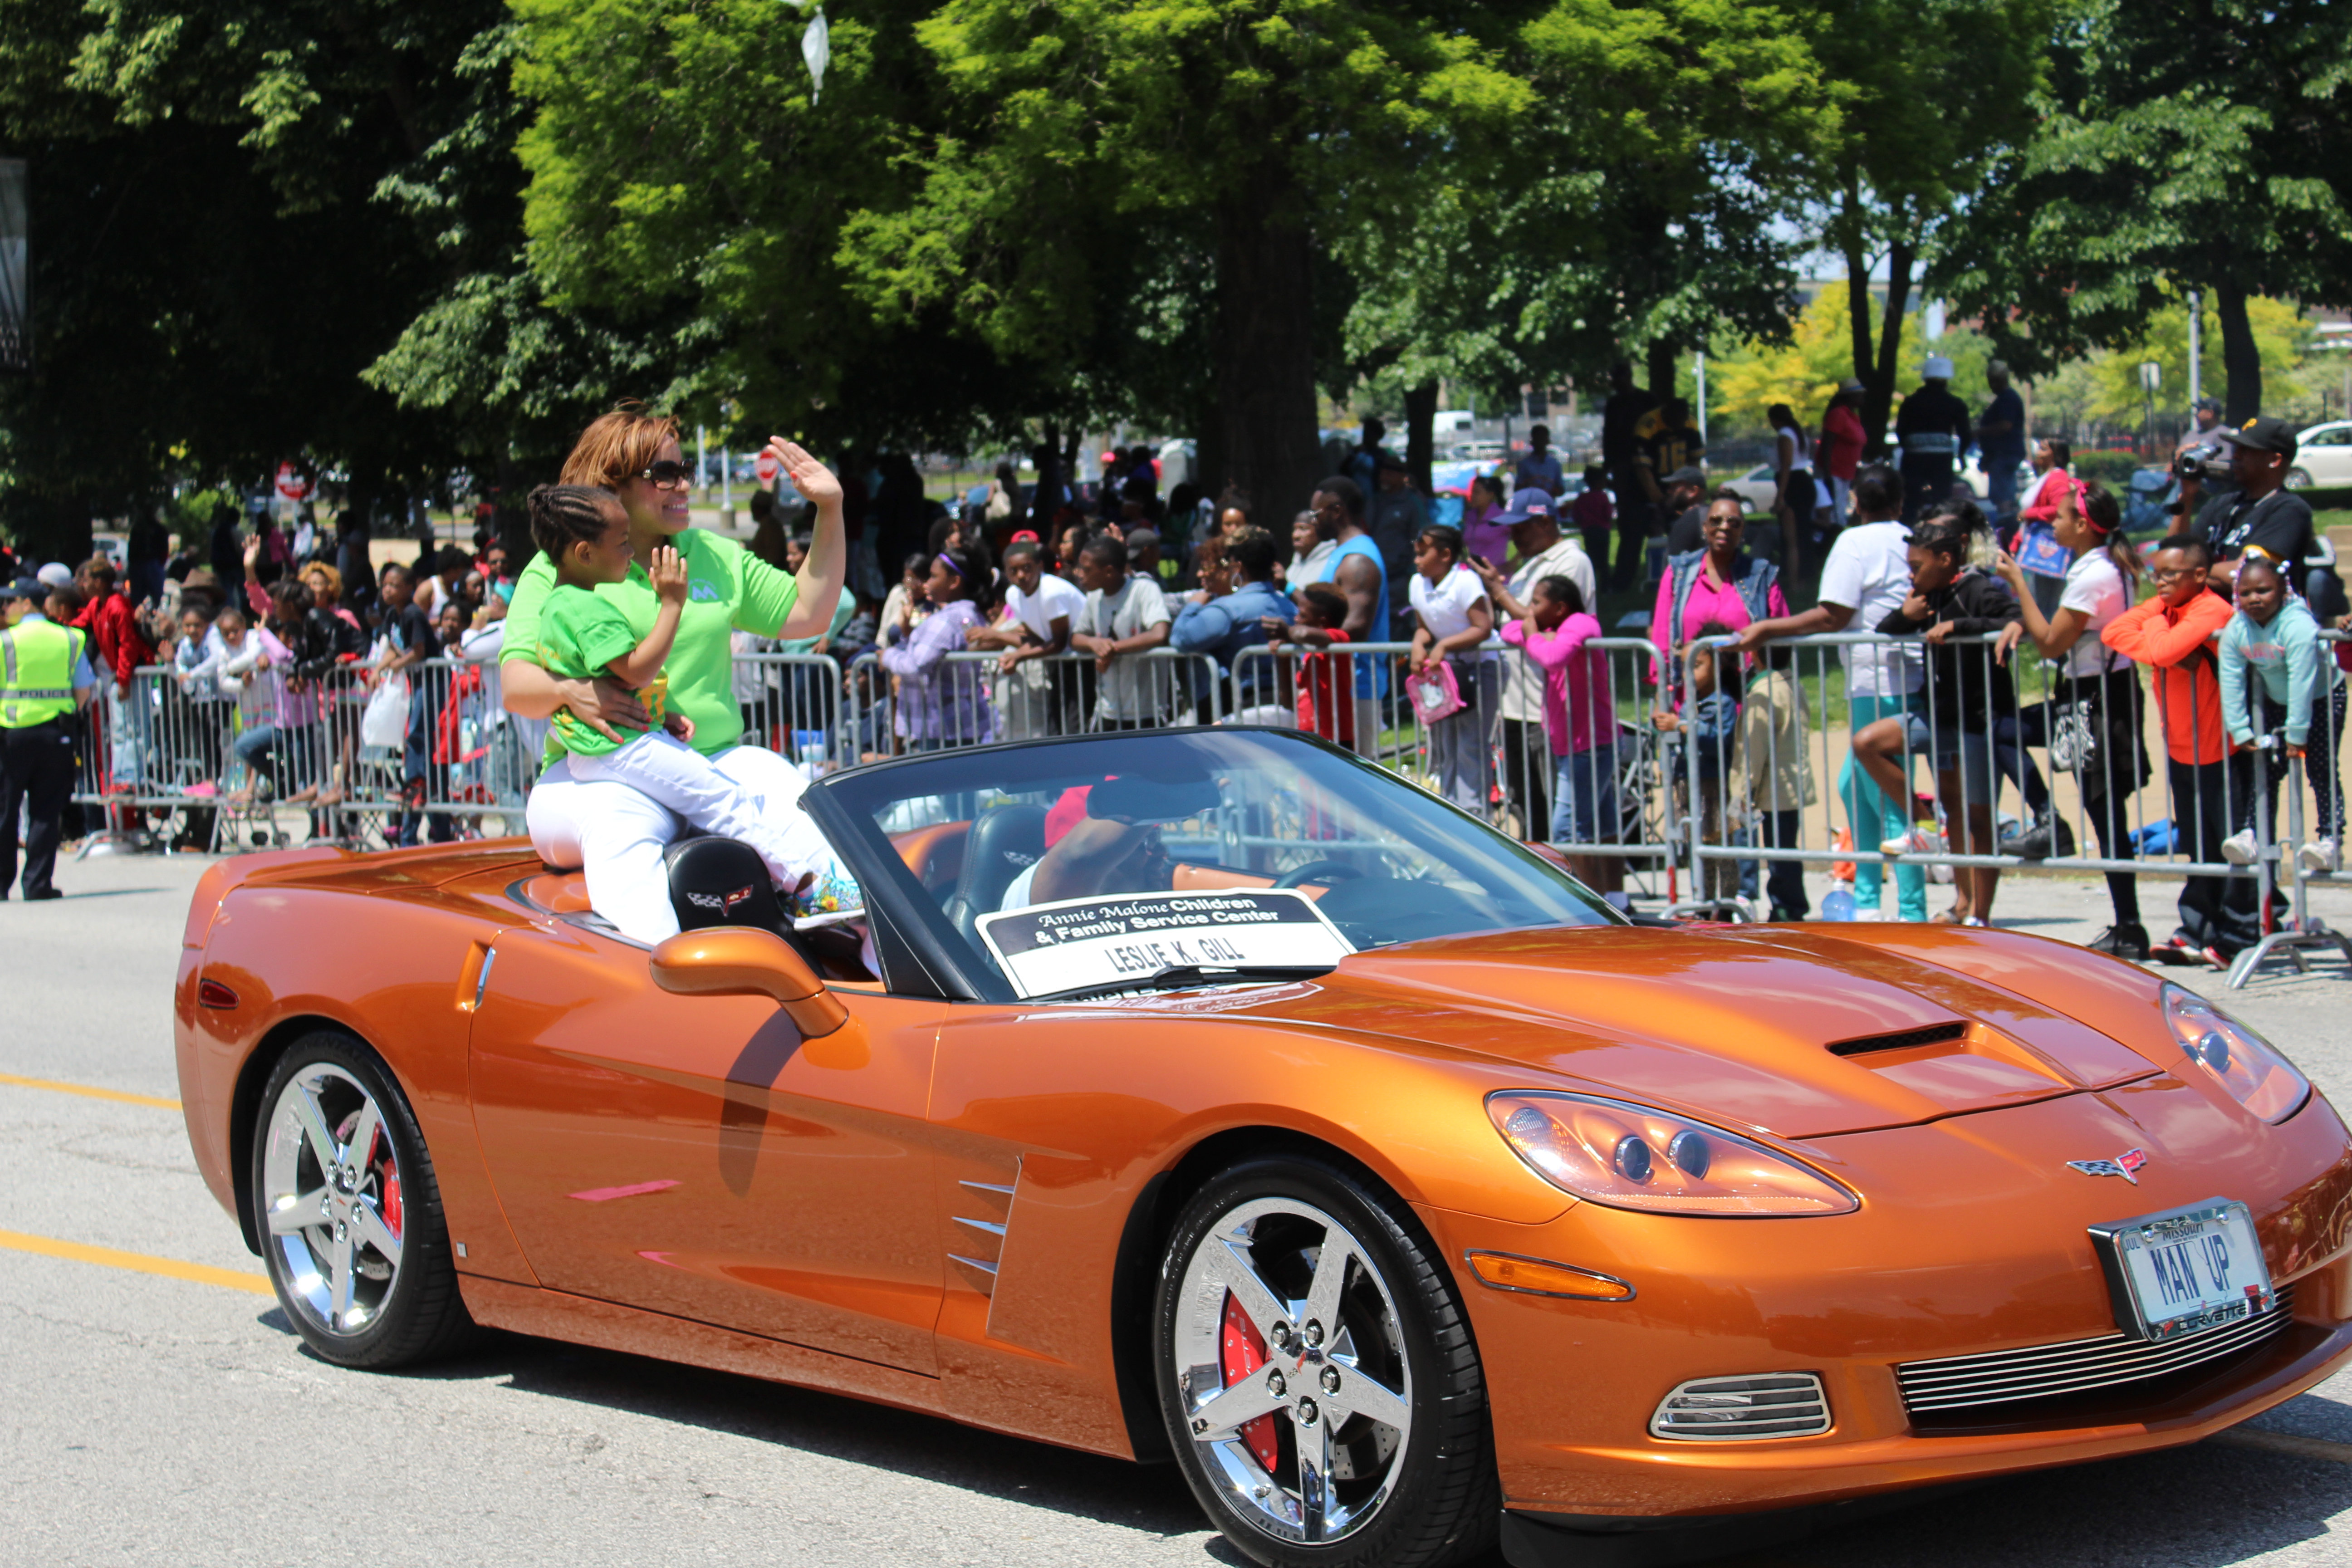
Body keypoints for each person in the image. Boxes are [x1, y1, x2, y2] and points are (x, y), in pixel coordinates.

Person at [500, 406, 848, 944]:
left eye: (684, 469)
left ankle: (872, 958)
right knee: (621, 827)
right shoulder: (565, 566)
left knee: (803, 806)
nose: (684, 483)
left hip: (713, 758)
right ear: (611, 484)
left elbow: (810, 611)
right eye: (664, 474)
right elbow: (517, 686)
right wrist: (570, 691)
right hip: (604, 770)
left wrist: (830, 507)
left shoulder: (713, 554)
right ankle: (664, 972)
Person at [1735, 465, 1926, 921]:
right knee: (1854, 786)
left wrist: (1767, 628)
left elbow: (1832, 616)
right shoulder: (1909, 538)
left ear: (1855, 503)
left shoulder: (1855, 543)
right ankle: (1866, 900)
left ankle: (1911, 910)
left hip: (1878, 681)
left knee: (1887, 796)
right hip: (1895, 680)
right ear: (1900, 503)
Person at [1991, 480, 2150, 954]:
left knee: (2106, 818)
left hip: (2094, 703)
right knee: (2106, 816)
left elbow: (2053, 642)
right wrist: (2026, 616)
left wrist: (2018, 584)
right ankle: (2126, 921)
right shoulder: (2106, 566)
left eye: (2058, 517)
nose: (2051, 523)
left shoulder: (2094, 574)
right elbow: (2058, 629)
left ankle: (2130, 926)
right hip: (2102, 694)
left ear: (2082, 525)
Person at [1857, 521, 2020, 924]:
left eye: (1916, 566)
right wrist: (1904, 613)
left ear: (1946, 560)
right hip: (1939, 717)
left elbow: (2016, 619)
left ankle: (1980, 915)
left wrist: (1958, 627)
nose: (1911, 575)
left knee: (1980, 820)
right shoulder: (1930, 594)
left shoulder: (1978, 589)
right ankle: (1925, 825)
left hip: (1981, 722)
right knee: (1867, 743)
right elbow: (1887, 630)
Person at [2102, 535, 2251, 968]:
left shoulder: (2211, 609)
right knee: (2196, 844)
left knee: (2231, 846)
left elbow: (2162, 648)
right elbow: (2115, 631)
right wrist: (2165, 642)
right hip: (2182, 746)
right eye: (2156, 573)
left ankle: (2240, 932)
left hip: (2221, 746)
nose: (2159, 583)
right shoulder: (2168, 610)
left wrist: (2162, 643)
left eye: (2170, 575)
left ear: (2200, 576)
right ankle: (2197, 928)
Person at [1470, 487, 1594, 843]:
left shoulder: (1572, 561)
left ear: (1544, 520)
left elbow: (1543, 623)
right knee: (1527, 805)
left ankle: (1569, 888)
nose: (1513, 535)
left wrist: (1499, 591)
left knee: (1558, 811)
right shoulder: (1531, 563)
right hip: (1516, 706)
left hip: (1549, 707)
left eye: (1520, 528)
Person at [2220, 552, 2345, 876]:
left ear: (2284, 590)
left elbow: (2302, 680)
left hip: (2322, 696)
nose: (2254, 599)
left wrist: (2297, 734)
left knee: (2320, 767)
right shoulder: (2237, 628)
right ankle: (2253, 834)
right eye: (2245, 593)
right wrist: (2240, 729)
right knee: (2266, 769)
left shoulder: (2298, 624)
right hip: (2278, 700)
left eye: (2263, 591)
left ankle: (2330, 841)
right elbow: (2231, 678)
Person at [1498, 574, 1618, 898]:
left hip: (1590, 744)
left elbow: (1552, 659)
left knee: (1568, 831)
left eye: (1537, 602)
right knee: (1603, 827)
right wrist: (1536, 632)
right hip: (1576, 743)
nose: (1530, 609)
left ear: (1561, 607)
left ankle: (1590, 904)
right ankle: (1615, 900)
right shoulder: (1555, 632)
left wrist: (1534, 635)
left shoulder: (1580, 624)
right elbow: (1510, 631)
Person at [0, 576, 97, 899]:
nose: (5, 607)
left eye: (9, 601)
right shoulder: (71, 639)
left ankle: (1, 885)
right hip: (57, 732)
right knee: (45, 810)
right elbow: (83, 691)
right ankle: (37, 884)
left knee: (6, 810)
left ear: (26, 603)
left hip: (11, 734)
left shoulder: (5, 641)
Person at [1405, 524, 1495, 813]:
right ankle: (1450, 809)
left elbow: (1483, 627)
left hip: (1480, 668)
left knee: (1471, 742)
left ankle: (1474, 813)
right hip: (1445, 672)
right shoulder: (1418, 583)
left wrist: (1444, 647)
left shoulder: (1465, 582)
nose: (1417, 560)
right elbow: (1424, 629)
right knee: (1445, 742)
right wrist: (1419, 644)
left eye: (1423, 554)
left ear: (1445, 555)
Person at [1303, 476, 1391, 754]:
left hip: (1356, 689)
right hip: (1337, 687)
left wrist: (1305, 635)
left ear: (1337, 510)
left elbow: (1356, 629)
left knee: (1356, 788)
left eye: (1316, 514)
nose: (1312, 521)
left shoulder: (1358, 561)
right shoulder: (1341, 554)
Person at [1172, 526, 1291, 717]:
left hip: (1242, 713)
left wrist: (1194, 605)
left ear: (1238, 567)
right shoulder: (1290, 608)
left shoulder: (1227, 610)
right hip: (1286, 711)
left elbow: (1180, 638)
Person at [969, 539, 1082, 738]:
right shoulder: (1014, 595)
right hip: (1059, 665)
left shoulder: (1051, 593)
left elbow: (1058, 643)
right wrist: (1015, 653)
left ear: (1040, 567)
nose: (1021, 576)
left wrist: (1019, 657)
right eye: (1013, 571)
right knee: (1058, 729)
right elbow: (1036, 638)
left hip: (1081, 663)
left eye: (1027, 568)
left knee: (1074, 729)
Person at [2195, 416, 2318, 596]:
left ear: (2274, 460)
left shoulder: (2289, 510)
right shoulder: (2222, 504)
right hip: (2201, 613)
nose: (2235, 455)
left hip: (2251, 620)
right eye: (2237, 448)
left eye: (2246, 450)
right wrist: (2187, 494)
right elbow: (2171, 558)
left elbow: (2249, 575)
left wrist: (2189, 573)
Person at [1070, 533, 1173, 730]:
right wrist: (1094, 643)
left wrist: (1113, 649)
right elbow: (1076, 638)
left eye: (1087, 569)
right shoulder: (1094, 598)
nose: (1080, 574)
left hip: (1146, 711)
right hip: (1107, 710)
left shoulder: (1144, 589)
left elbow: (1159, 633)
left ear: (1109, 572)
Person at [1267, 583, 1356, 747]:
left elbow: (1302, 634)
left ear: (1322, 623)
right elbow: (1289, 701)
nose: (1296, 619)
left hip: (1335, 737)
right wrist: (1284, 656)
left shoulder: (1339, 639)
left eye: (1302, 615)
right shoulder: (1309, 655)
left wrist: (1286, 631)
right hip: (1309, 736)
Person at [1633, 399, 1704, 588]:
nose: (1681, 423)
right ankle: (1657, 575)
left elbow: (1695, 462)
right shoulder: (1648, 425)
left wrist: (1689, 490)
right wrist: (1658, 498)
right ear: (1667, 413)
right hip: (1655, 485)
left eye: (1683, 418)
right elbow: (1642, 468)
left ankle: (1689, 570)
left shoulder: (1690, 424)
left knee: (1685, 526)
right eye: (1677, 418)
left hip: (1679, 485)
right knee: (1655, 528)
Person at [1601, 360, 1659, 589]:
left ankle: (1659, 575)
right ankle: (1624, 579)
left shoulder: (1646, 400)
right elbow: (1609, 437)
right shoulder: (1614, 404)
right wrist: (1610, 467)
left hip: (1647, 464)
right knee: (1629, 527)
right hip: (1625, 467)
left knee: (1656, 520)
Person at [1894, 355, 1972, 522]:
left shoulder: (1910, 403)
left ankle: (1907, 533)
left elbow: (1901, 431)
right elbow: (1965, 433)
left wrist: (1909, 447)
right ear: (1946, 380)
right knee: (1942, 501)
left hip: (1914, 458)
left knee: (1910, 502)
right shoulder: (1955, 404)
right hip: (1941, 459)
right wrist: (1961, 456)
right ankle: (1941, 533)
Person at [1367, 454, 1428, 593]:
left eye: (1389, 474)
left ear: (1402, 477)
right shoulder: (1373, 502)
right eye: (1382, 474)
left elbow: (1420, 537)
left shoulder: (1412, 504)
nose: (1384, 478)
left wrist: (1412, 571)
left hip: (1399, 576)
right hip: (1374, 571)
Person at [1978, 361, 2028, 524]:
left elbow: (2006, 425)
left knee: (2003, 497)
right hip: (2001, 454)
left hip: (2004, 454)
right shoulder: (2004, 399)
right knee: (2002, 495)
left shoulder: (2008, 399)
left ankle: (2007, 528)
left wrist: (1978, 432)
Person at [1768, 403, 1816, 572]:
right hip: (1802, 479)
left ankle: (1796, 571)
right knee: (1803, 528)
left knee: (1792, 533)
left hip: (1794, 483)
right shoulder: (1797, 432)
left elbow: (1786, 464)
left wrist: (1781, 496)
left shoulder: (1785, 435)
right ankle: (1805, 569)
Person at [1818, 381, 1866, 527]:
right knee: (1837, 513)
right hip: (1835, 471)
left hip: (1846, 471)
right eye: (1860, 394)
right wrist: (1827, 474)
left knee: (1842, 509)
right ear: (1851, 396)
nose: (1863, 397)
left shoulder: (1852, 417)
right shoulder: (1838, 415)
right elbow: (1828, 444)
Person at [1659, 466, 1714, 556]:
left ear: (1693, 491)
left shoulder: (1687, 521)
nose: (1669, 491)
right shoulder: (1714, 514)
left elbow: (1675, 564)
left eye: (1675, 487)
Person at [1460, 475, 1510, 568]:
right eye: (1472, 492)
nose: (1473, 496)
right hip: (1473, 575)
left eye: (1477, 493)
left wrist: (1511, 565)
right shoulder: (1469, 517)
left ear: (1490, 495)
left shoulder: (1502, 518)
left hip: (1496, 575)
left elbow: (1525, 539)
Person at [1570, 466, 1613, 569]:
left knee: (1592, 556)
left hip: (1588, 531)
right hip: (1603, 530)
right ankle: (1605, 582)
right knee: (1604, 558)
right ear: (1599, 482)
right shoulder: (1603, 497)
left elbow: (1576, 516)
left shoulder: (1582, 498)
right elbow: (1608, 515)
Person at [1286, 506, 1334, 593]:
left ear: (1318, 532)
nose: (1295, 535)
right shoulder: (1296, 562)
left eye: (1303, 529)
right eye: (1295, 529)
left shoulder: (1330, 562)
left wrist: (1286, 586)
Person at [1514, 425, 1567, 499]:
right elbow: (1518, 489)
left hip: (1548, 505)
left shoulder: (1554, 464)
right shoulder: (1524, 464)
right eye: (1537, 439)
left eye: (1542, 439)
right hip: (1530, 506)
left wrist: (1550, 490)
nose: (1540, 443)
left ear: (1547, 441)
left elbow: (1561, 490)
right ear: (1533, 441)